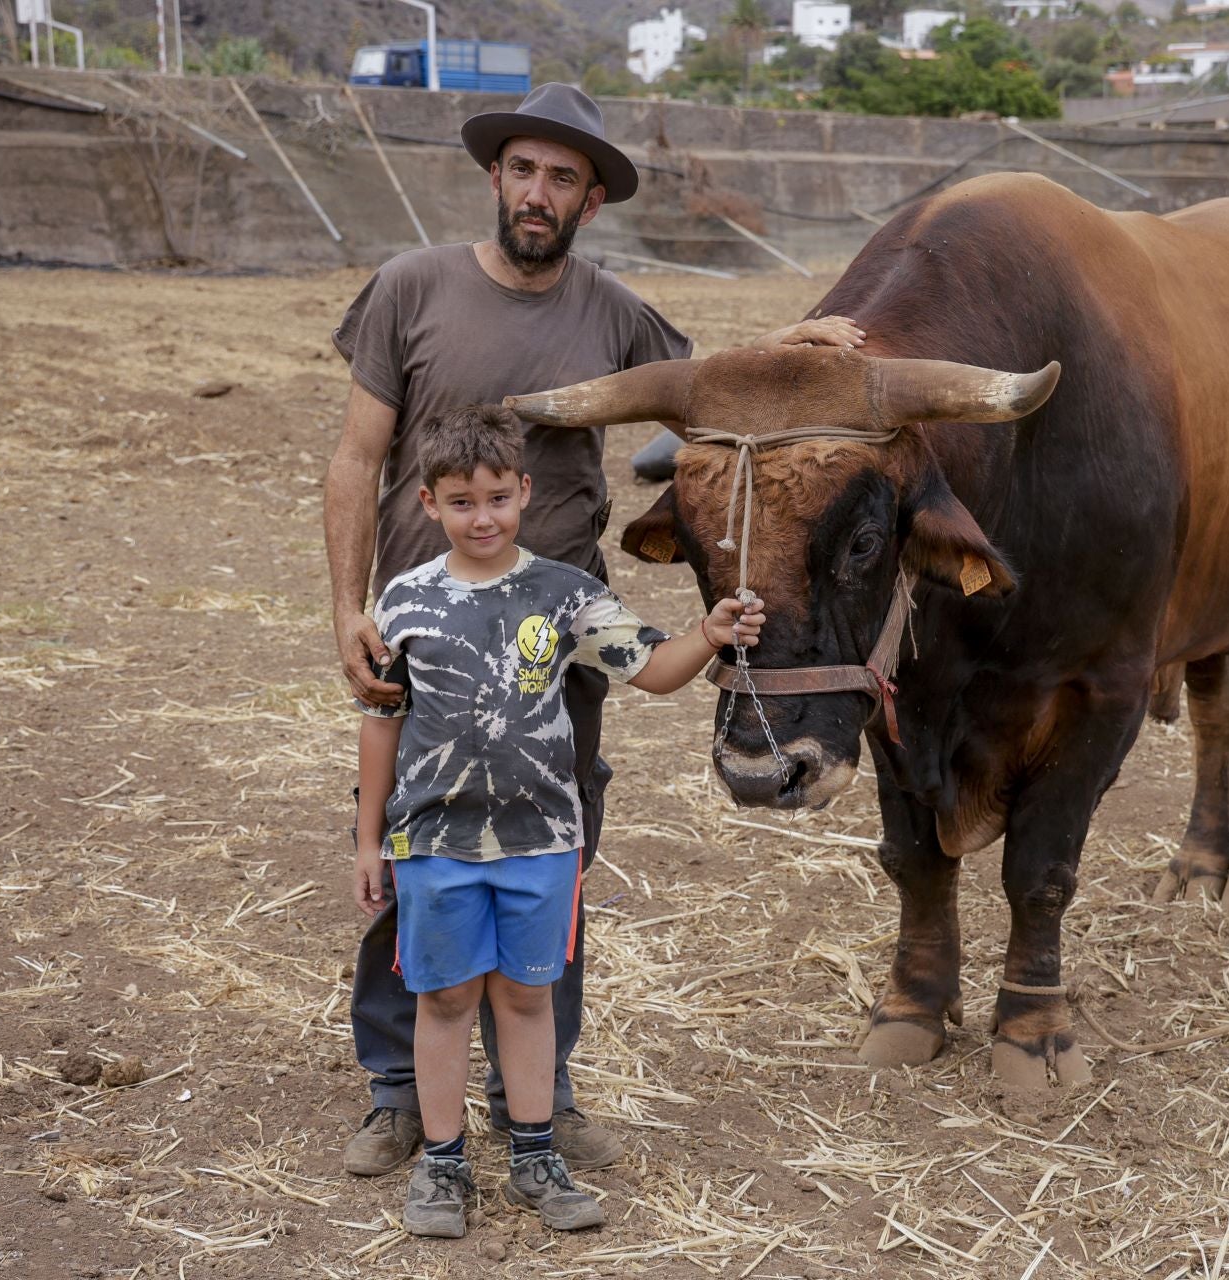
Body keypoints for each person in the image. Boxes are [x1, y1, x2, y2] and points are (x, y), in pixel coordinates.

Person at [326, 81, 861, 1179]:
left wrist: (802, 343)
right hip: (424, 638)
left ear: (591, 200)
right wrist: (347, 608)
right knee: (418, 851)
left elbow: (722, 395)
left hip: (556, 641)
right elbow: (351, 457)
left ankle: (543, 1091)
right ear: (495, 178)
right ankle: (394, 1090)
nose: (538, 191)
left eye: (563, 177)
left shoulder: (618, 316)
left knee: (552, 858)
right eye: (524, 169)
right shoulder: (410, 288)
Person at [353, 405, 765, 1237]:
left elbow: (651, 669)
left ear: (526, 494)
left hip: (543, 841)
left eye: (499, 498)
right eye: (462, 501)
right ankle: (442, 1165)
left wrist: (711, 634)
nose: (483, 517)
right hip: (433, 843)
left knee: (527, 998)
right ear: (428, 503)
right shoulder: (401, 604)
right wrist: (369, 840)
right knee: (444, 1001)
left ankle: (536, 1155)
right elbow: (381, 723)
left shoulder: (567, 595)